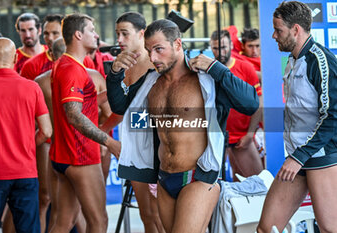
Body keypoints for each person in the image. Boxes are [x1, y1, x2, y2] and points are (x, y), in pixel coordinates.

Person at [107, 19, 259, 233]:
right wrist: (114, 74)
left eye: (159, 49)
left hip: (198, 177)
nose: (153, 58)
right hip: (164, 178)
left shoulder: (204, 79)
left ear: (177, 44)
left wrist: (216, 68)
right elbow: (121, 106)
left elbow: (250, 104)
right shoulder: (151, 82)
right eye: (149, 51)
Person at [257, 1, 337, 232]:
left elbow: (333, 117)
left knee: (330, 229)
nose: (273, 35)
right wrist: (297, 156)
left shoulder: (320, 60)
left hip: (320, 157)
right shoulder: (292, 59)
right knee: (266, 228)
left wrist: (299, 156)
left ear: (295, 30)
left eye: (278, 30)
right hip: (297, 157)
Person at [49, 13, 120, 233]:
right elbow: (74, 114)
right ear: (78, 34)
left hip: (65, 155)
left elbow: (83, 104)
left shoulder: (66, 64)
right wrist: (109, 142)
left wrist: (115, 91)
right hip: (79, 155)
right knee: (99, 222)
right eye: (91, 29)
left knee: (64, 223)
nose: (97, 34)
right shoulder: (71, 69)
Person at [107, 11, 166, 233]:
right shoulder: (122, 64)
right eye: (117, 34)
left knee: (161, 215)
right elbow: (121, 108)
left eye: (125, 34)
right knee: (147, 214)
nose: (119, 40)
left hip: (157, 150)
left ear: (141, 34)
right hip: (134, 148)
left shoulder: (154, 65)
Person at [0, 37, 52, 233]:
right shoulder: (32, 87)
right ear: (16, 58)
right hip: (25, 171)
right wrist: (29, 145)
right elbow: (47, 130)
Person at [210, 30, 263, 180]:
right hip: (217, 137)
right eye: (215, 48)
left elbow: (259, 102)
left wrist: (250, 133)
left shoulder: (245, 68)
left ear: (231, 45)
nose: (220, 52)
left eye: (224, 47)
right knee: (216, 185)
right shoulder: (207, 70)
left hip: (241, 137)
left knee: (258, 182)